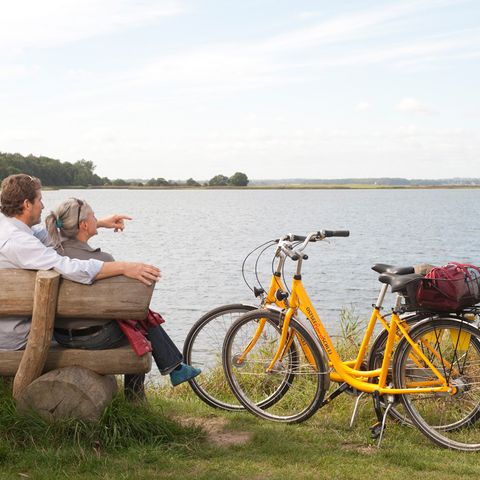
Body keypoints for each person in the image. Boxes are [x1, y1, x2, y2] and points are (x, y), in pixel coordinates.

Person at [45, 197, 200, 386]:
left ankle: (175, 367)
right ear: (84, 225)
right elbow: (124, 307)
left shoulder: (49, 254)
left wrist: (101, 223)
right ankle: (140, 391)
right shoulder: (103, 260)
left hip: (60, 336)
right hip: (95, 338)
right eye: (94, 216)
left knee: (136, 314)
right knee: (137, 319)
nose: (97, 219)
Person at [0, 174, 160, 351]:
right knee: (134, 325)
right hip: (18, 337)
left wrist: (96, 223)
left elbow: (49, 234)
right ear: (27, 204)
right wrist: (123, 266)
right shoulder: (19, 242)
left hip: (11, 327)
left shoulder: (10, 230)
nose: (43, 205)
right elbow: (69, 268)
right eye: (40, 199)